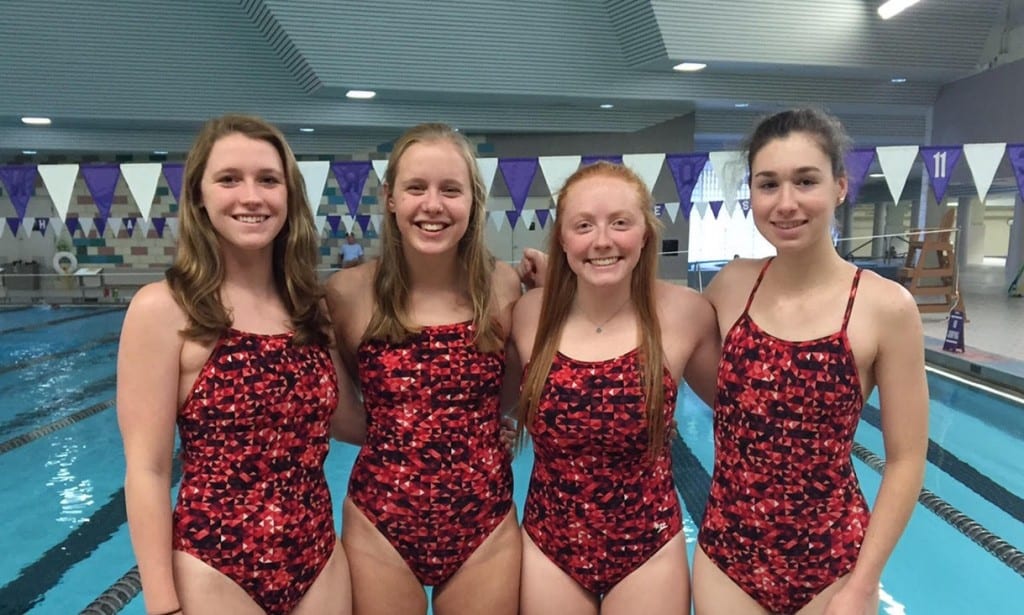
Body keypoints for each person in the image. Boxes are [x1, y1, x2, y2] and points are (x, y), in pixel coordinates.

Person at [117, 114, 363, 615]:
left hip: (319, 561)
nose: (251, 197)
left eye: (268, 180)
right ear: (199, 197)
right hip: (215, 567)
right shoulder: (164, 309)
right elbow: (147, 468)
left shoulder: (309, 309)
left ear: (289, 197)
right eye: (229, 179)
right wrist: (162, 604)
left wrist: (463, 412)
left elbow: (350, 423)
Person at [693, 108, 928, 615]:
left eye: (806, 181)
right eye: (768, 184)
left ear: (841, 186)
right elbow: (652, 324)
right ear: (750, 194)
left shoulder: (885, 307)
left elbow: (907, 460)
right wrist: (553, 280)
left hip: (833, 563)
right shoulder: (733, 285)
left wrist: (864, 585)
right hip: (727, 557)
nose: (786, 203)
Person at [324, 122, 523, 615]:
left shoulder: (505, 286)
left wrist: (494, 426)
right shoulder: (347, 293)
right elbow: (339, 409)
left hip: (486, 524)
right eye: (416, 188)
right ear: (390, 197)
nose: (432, 205)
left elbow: (514, 390)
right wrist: (411, 433)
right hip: (380, 523)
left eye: (450, 190)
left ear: (473, 201)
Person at [511, 161, 720, 615]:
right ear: (563, 240)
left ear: (645, 232)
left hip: (649, 547)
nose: (602, 240)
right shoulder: (529, 314)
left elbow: (743, 412)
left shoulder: (686, 313)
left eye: (620, 223)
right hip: (551, 545)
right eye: (583, 225)